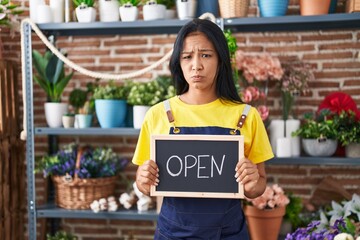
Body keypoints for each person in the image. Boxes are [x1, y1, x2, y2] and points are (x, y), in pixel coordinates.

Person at [132, 18, 274, 239]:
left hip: (228, 232)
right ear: (178, 62)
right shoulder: (157, 114)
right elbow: (144, 184)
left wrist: (253, 180)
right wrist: (142, 180)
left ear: (220, 60)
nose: (196, 65)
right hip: (172, 232)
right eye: (187, 56)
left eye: (206, 55)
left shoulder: (247, 116)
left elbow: (258, 187)